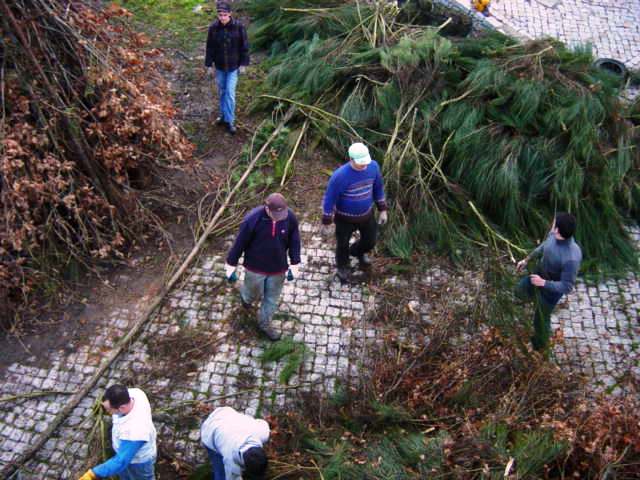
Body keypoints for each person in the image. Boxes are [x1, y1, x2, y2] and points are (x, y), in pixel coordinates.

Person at [225, 193, 301, 341]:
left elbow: (294, 240)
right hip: (255, 268)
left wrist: (295, 263)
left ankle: (264, 324)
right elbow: (239, 243)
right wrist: (230, 265)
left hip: (278, 268)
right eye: (276, 214)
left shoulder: (290, 217)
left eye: (282, 214)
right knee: (252, 293)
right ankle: (246, 300)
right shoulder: (252, 219)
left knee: (271, 299)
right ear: (266, 208)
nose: (279, 217)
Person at [515, 212, 582, 353]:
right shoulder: (553, 235)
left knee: (540, 321)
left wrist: (544, 283)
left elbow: (567, 286)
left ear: (557, 230)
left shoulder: (572, 257)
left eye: (554, 222)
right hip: (538, 276)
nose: (551, 223)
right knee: (519, 290)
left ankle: (540, 347)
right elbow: (544, 247)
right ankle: (535, 300)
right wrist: (527, 260)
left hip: (550, 292)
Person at [321, 142, 388, 282]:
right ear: (351, 159)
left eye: (365, 162)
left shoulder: (373, 167)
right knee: (342, 245)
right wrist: (327, 222)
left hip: (367, 215)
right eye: (360, 163)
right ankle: (343, 267)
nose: (364, 165)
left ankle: (357, 251)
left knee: (370, 240)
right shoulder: (339, 176)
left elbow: (378, 188)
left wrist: (382, 210)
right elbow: (329, 199)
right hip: (344, 219)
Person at [78, 385, 157, 480]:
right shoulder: (136, 394)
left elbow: (120, 462)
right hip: (125, 454)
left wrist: (93, 474)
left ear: (122, 408)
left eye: (109, 409)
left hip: (138, 462)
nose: (107, 411)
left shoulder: (136, 431)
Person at [204, 2, 250, 135]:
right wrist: (209, 65)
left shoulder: (239, 27)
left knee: (230, 93)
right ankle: (223, 115)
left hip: (233, 67)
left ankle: (230, 121)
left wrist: (243, 64)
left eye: (225, 15)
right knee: (222, 92)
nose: (222, 17)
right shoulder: (213, 28)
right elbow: (210, 47)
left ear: (230, 14)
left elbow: (245, 47)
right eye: (220, 15)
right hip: (219, 66)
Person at [200, 406, 270, 480]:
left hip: (227, 414)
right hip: (210, 430)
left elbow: (263, 423)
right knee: (221, 474)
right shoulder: (230, 462)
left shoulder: (262, 432)